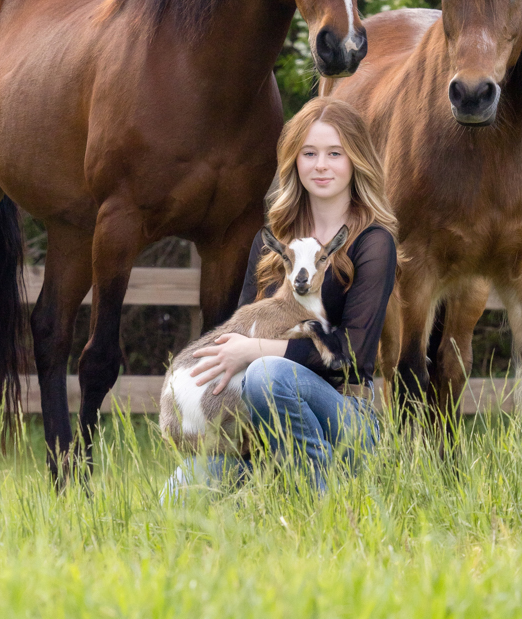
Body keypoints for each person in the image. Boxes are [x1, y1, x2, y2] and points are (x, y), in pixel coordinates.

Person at [167, 98, 399, 494]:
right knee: (179, 493)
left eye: (334, 153)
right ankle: (280, 482)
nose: (321, 165)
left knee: (265, 374)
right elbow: (238, 331)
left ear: (355, 160)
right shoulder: (270, 242)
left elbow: (352, 357)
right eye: (309, 153)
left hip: (345, 418)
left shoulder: (373, 243)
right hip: (261, 427)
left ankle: (321, 499)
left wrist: (256, 350)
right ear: (294, 161)